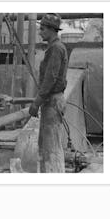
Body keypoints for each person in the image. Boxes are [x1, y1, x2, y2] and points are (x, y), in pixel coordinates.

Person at [29, 13, 68, 173]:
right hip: (51, 101)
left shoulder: (56, 49)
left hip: (52, 101)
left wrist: (36, 102)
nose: (40, 32)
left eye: (43, 29)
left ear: (52, 30)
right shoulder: (54, 48)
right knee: (47, 144)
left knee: (51, 146)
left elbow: (50, 79)